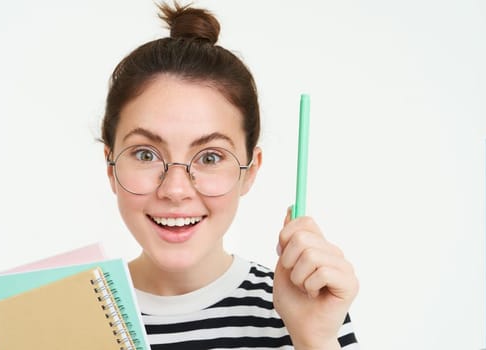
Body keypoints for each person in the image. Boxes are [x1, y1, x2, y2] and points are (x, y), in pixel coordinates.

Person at [100, 3, 360, 349]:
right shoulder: (63, 313)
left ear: (249, 172)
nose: (175, 190)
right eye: (146, 154)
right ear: (111, 167)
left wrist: (314, 339)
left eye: (210, 157)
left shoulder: (309, 309)